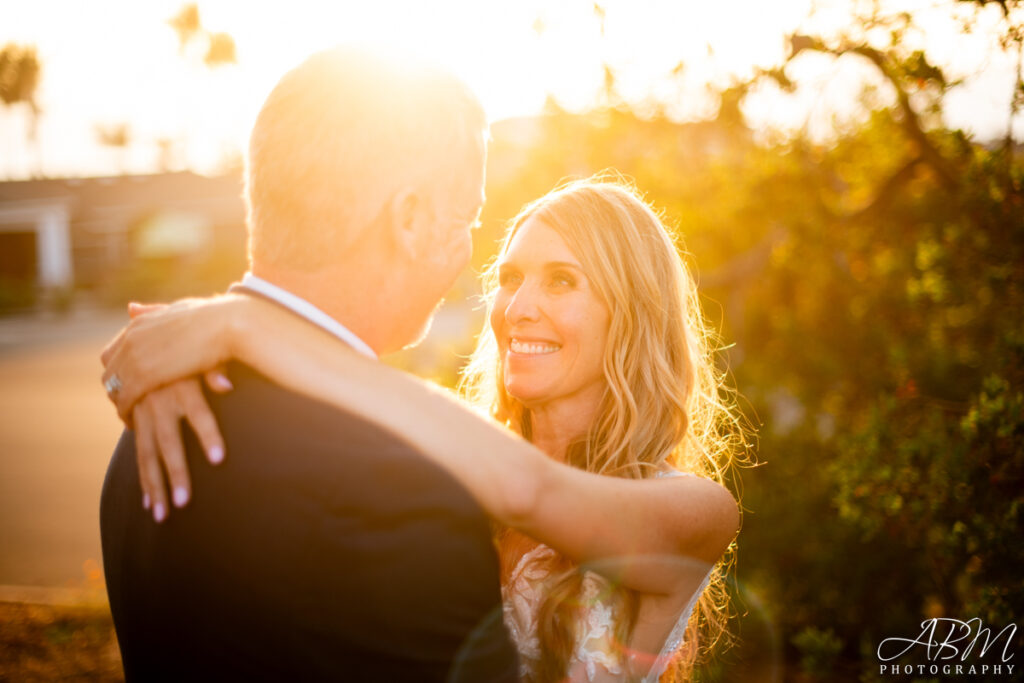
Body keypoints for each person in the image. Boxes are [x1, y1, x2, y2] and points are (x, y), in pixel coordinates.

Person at [102, 176, 747, 681]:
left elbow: (535, 493)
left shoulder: (698, 514)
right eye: (510, 279)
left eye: (562, 282)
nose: (520, 309)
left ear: (631, 314)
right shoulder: (441, 463)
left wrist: (238, 325)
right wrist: (177, 368)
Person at [98, 46, 521, 682]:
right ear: (409, 218)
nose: (467, 248)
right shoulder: (404, 489)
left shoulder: (147, 430)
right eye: (468, 218)